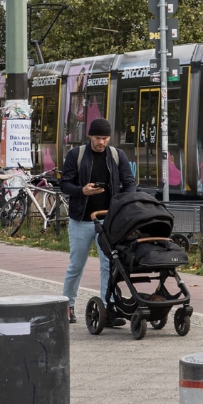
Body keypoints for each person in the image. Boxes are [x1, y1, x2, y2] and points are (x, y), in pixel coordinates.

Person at [60, 117, 136, 325]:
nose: (101, 142)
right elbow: (64, 185)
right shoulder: (76, 155)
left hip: (107, 222)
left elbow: (129, 182)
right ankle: (67, 306)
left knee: (109, 265)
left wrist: (123, 202)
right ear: (89, 136)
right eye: (97, 138)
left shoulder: (117, 155)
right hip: (82, 220)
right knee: (76, 265)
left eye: (104, 138)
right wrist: (81, 190)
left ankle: (108, 309)